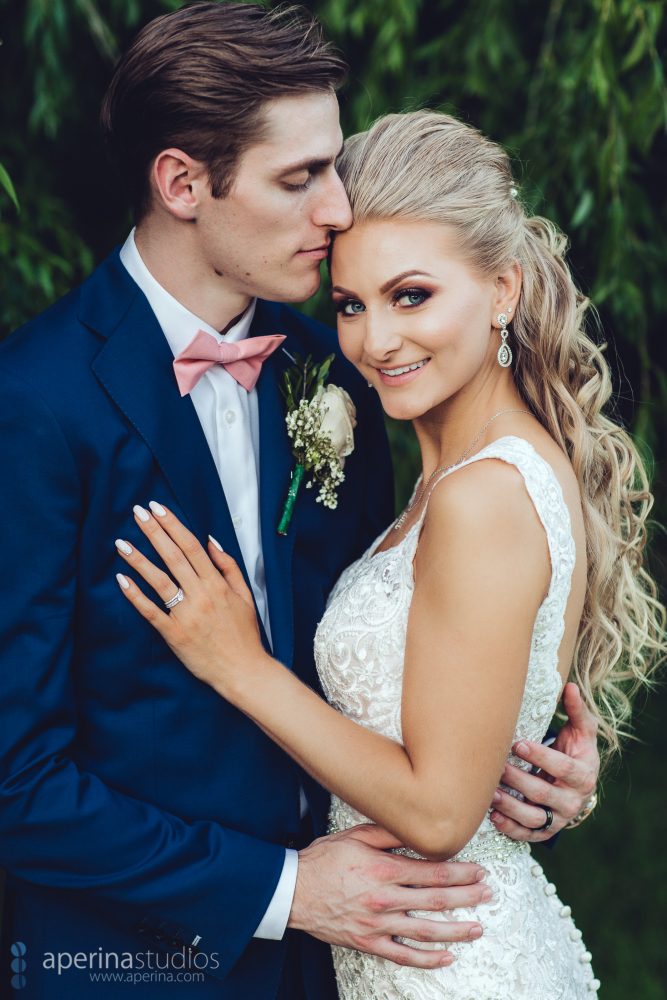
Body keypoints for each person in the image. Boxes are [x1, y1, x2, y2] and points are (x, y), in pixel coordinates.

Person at [0, 4, 601, 997]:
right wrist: (282, 889)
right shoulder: (33, 405)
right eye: (299, 178)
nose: (337, 209)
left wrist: (522, 773)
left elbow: (404, 654)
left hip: (361, 959)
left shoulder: (335, 374)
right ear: (183, 183)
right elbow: (15, 781)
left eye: (332, 166)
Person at [114, 109, 666, 1000]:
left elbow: (442, 813)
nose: (373, 342)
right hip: (413, 939)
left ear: (502, 292)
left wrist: (237, 664)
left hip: (453, 961)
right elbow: (478, 746)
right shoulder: (447, 470)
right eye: (349, 304)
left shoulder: (480, 496)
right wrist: (552, 785)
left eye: (411, 296)